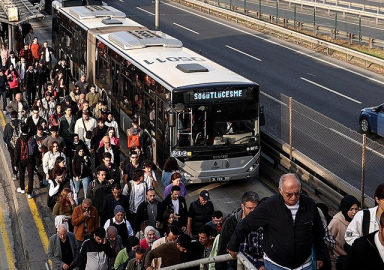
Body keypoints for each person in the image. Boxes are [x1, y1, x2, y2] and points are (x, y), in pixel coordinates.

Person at [227, 173, 327, 270]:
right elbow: (246, 223)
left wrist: (320, 255)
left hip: (304, 264)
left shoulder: (309, 204)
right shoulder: (269, 206)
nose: (293, 197)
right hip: (275, 265)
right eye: (289, 194)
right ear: (280, 190)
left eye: (297, 193)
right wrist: (233, 245)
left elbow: (318, 232)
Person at [216, 191, 260, 270]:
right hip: (233, 264)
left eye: (255, 208)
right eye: (250, 208)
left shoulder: (260, 222)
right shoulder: (230, 222)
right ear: (242, 206)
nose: (253, 211)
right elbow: (222, 246)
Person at [328, 195, 360, 270]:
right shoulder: (336, 222)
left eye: (356, 209)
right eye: (351, 209)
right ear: (345, 209)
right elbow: (328, 240)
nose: (354, 212)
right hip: (340, 259)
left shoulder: (358, 219)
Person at [15, 124, 37, 199]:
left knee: (22, 174)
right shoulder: (31, 138)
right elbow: (35, 150)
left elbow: (16, 152)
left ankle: (22, 188)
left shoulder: (19, 140)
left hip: (22, 160)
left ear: (21, 131)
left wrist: (15, 163)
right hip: (30, 160)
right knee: (31, 176)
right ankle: (30, 193)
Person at [3, 110, 21, 179]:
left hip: (11, 145)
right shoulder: (21, 123)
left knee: (13, 158)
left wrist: (7, 143)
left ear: (10, 116)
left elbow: (5, 136)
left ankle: (15, 173)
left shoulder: (8, 125)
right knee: (20, 157)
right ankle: (20, 170)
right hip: (20, 144)